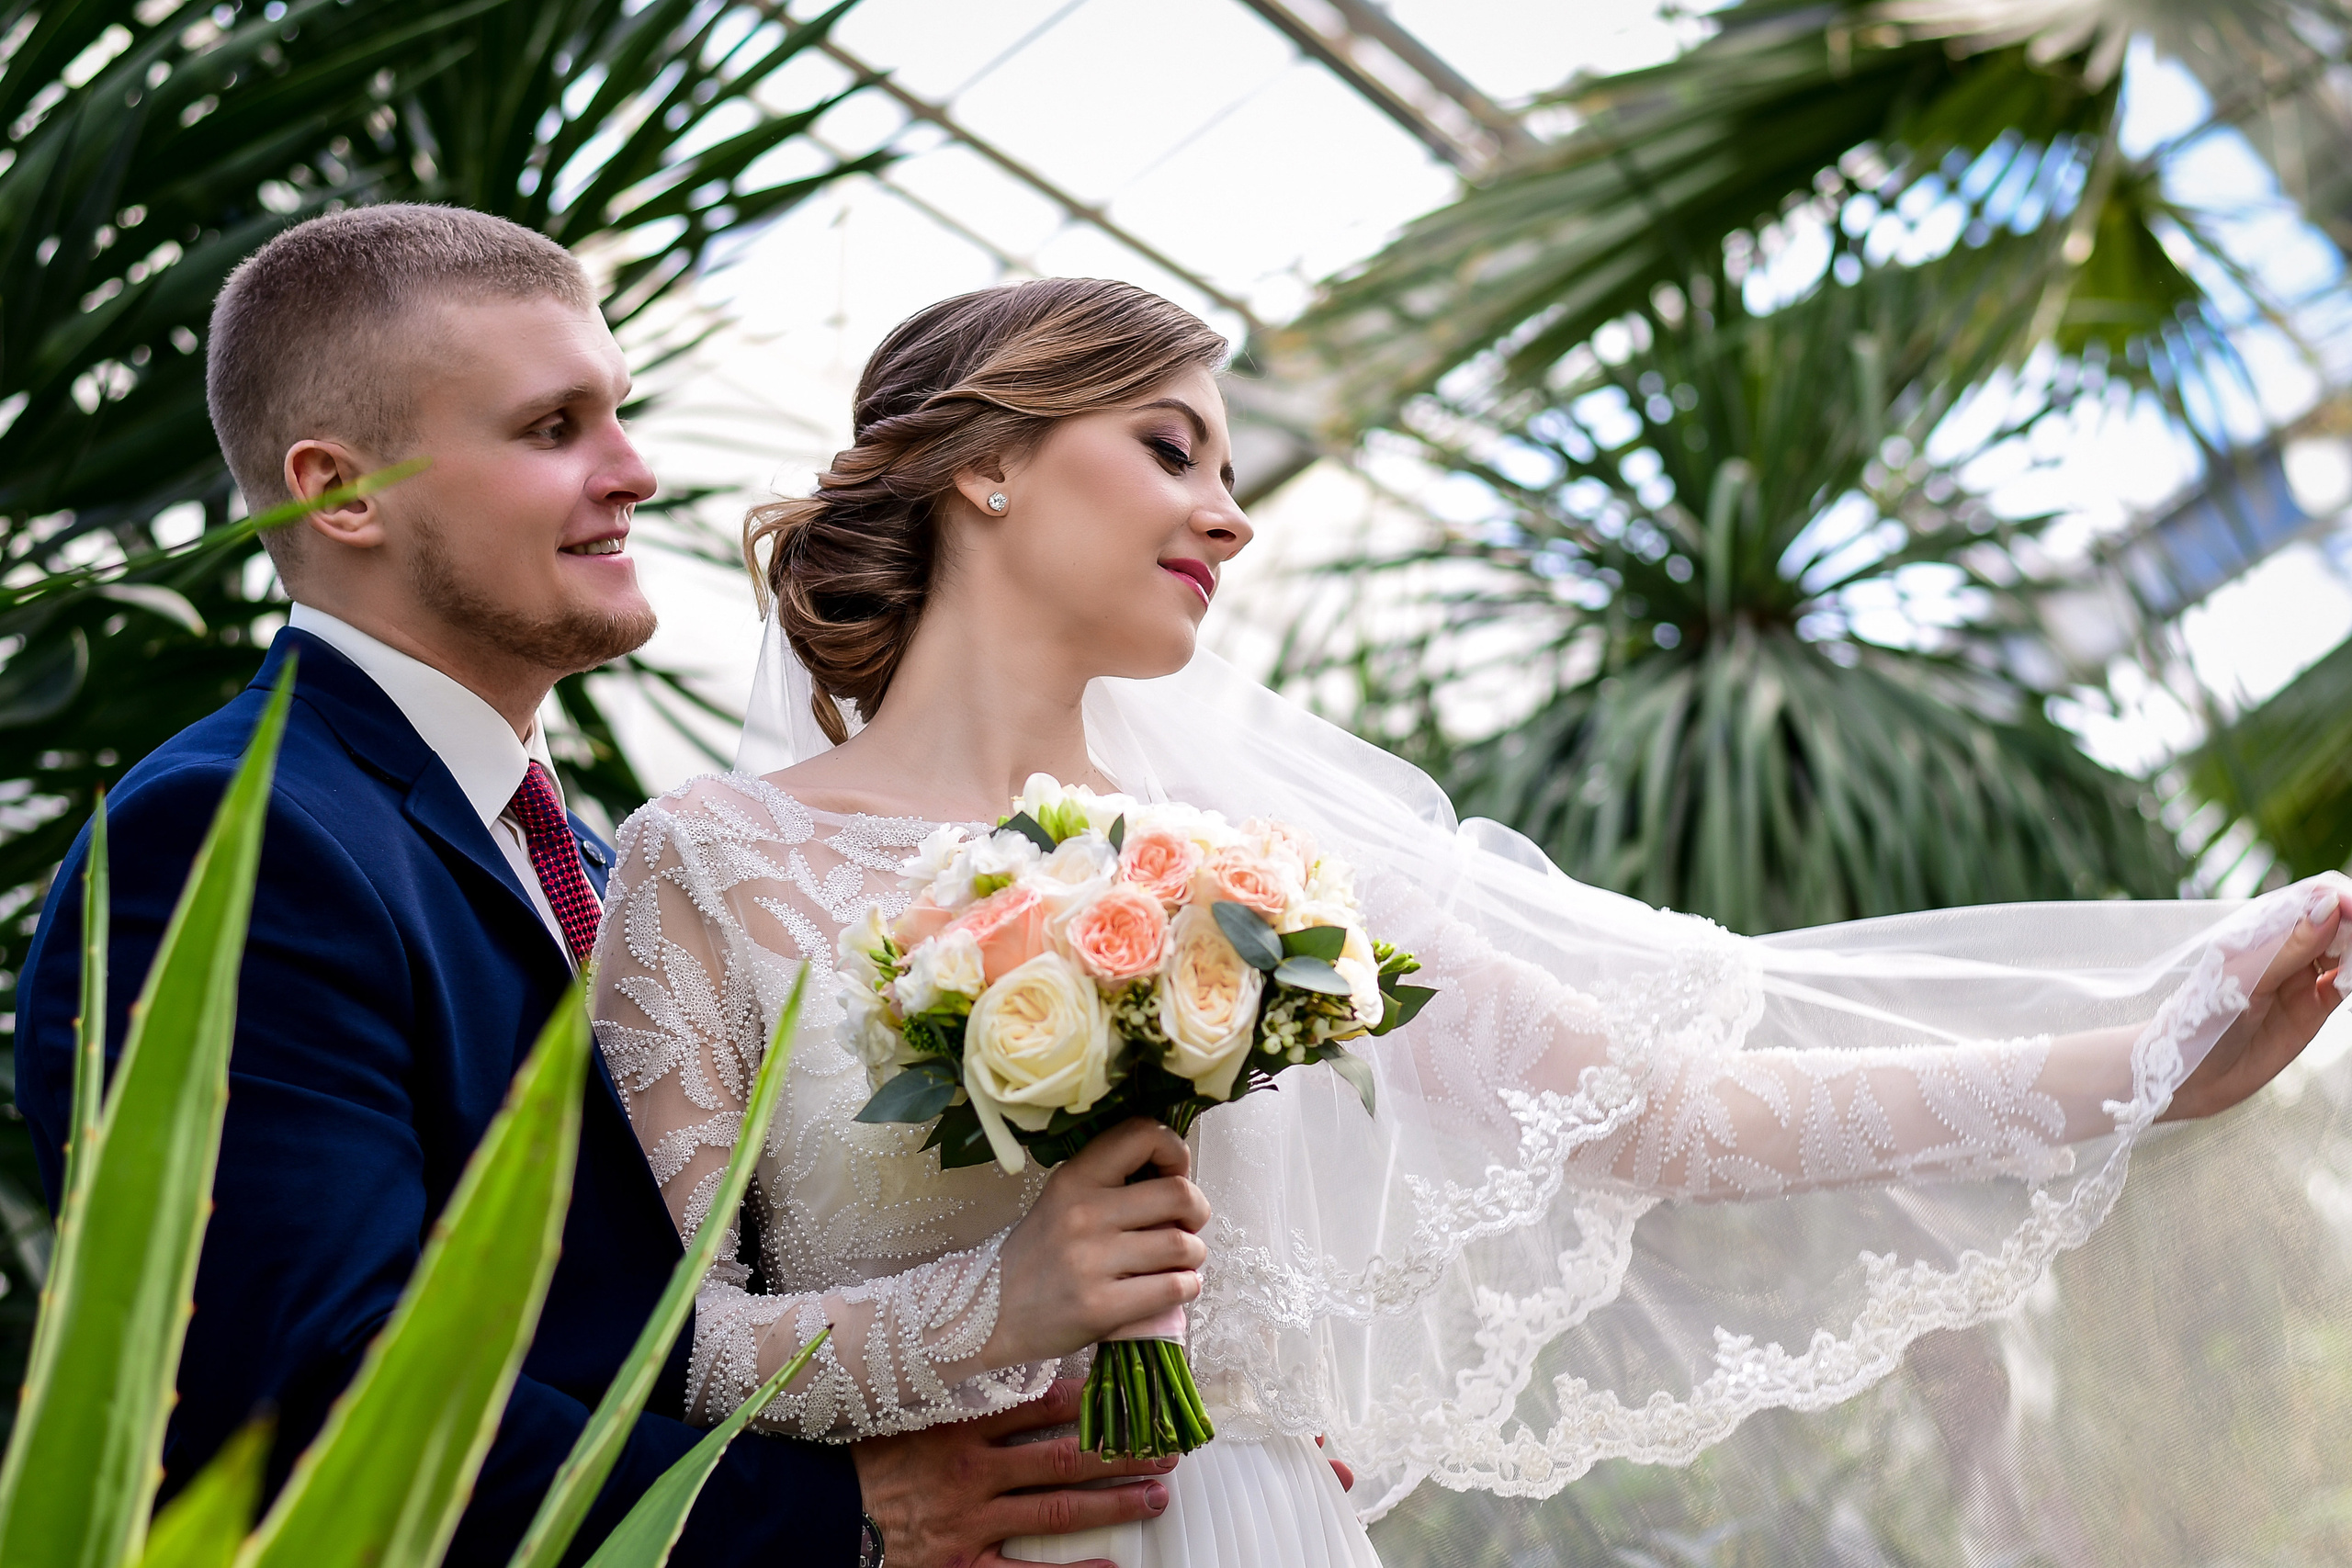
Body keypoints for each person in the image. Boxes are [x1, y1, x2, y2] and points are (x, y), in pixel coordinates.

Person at [591, 275, 2352, 1567]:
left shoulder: (1261, 878)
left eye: (1230, 466)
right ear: (984, 464)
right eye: (1169, 447)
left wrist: (2152, 1063)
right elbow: (673, 1351)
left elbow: (1674, 1112)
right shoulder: (707, 867)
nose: (1231, 514)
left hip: (1247, 1526)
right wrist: (1006, 1300)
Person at [14, 208, 1194, 1568]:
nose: (633, 470)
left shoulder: (586, 860)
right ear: (341, 494)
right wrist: (844, 1520)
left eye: (619, 414)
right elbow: (316, 1396)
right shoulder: (235, 838)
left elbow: (679, 1305)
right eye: (552, 428)